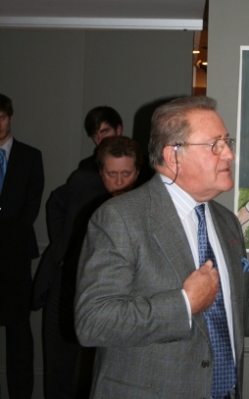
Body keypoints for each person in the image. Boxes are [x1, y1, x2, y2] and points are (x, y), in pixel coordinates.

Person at [75, 96, 249, 399]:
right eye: (215, 145)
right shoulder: (121, 218)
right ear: (173, 156)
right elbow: (93, 322)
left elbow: (221, 318)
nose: (229, 154)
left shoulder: (227, 223)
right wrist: (184, 304)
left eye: (227, 142)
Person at [34, 136, 142, 399]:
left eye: (126, 174)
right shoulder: (83, 183)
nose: (119, 182)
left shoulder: (145, 201)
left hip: (115, 299)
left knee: (96, 373)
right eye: (112, 174)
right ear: (100, 171)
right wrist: (62, 248)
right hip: (66, 287)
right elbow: (55, 204)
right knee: (59, 371)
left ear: (138, 172)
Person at [0, 93, 45, 399]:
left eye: (1, 118)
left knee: (18, 332)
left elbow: (30, 209)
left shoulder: (30, 156)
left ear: (10, 117)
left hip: (15, 256)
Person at [77, 105, 123, 172]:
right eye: (95, 135)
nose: (100, 139)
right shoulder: (86, 167)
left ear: (118, 130)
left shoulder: (136, 161)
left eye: (104, 132)